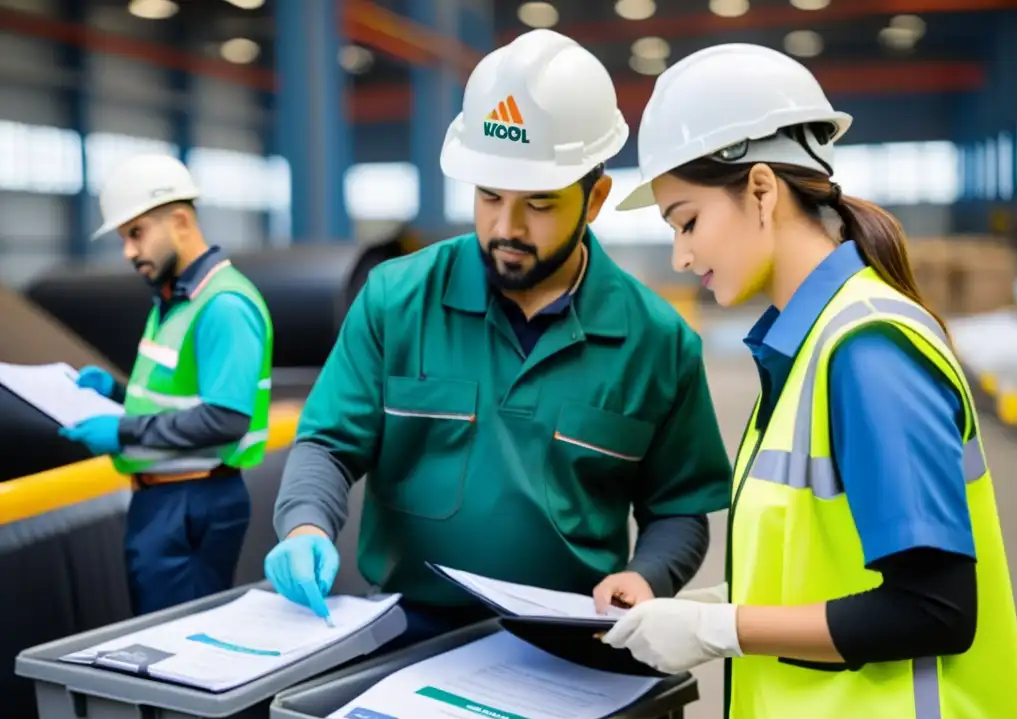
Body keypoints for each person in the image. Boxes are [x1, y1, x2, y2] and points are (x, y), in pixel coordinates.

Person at [601, 43, 1017, 719]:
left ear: (761, 190)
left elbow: (933, 609)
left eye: (687, 220)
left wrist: (721, 631)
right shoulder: (805, 352)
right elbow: (826, 571)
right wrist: (700, 609)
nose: (679, 255)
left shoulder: (866, 351)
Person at [263, 29, 732, 644]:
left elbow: (677, 507)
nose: (505, 227)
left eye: (539, 203)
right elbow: (327, 444)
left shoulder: (657, 342)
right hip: (410, 633)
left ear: (595, 199)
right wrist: (305, 526)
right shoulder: (396, 299)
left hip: (569, 643)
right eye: (488, 196)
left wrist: (648, 575)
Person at [58, 153, 274, 616]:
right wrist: (115, 394)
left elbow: (226, 418)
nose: (129, 252)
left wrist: (121, 431)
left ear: (179, 220)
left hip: (193, 503)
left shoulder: (224, 306)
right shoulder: (175, 300)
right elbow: (178, 393)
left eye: (136, 234)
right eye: (123, 238)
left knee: (180, 648)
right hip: (166, 499)